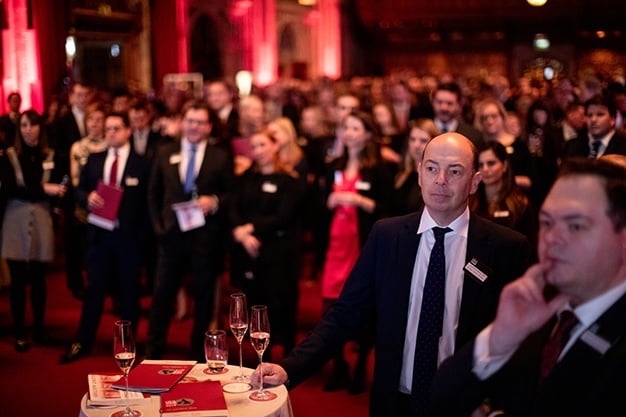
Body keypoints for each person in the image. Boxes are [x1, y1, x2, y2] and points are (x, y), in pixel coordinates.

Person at [258, 132, 531, 417]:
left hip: (465, 406)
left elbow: (518, 338)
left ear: (474, 181)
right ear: (419, 174)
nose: (441, 180)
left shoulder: (505, 248)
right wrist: (290, 368)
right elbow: (345, 315)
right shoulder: (387, 236)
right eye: (432, 168)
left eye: (455, 171)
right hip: (394, 403)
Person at [431, 157, 626, 417]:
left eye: (576, 226)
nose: (552, 238)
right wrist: (498, 338)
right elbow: (441, 398)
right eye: (547, 222)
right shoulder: (537, 305)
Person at [145, 100, 234, 362]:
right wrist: (159, 228)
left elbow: (232, 194)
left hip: (205, 238)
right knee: (162, 294)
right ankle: (153, 350)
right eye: (190, 121)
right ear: (183, 123)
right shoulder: (164, 151)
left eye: (200, 122)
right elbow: (153, 193)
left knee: (204, 297)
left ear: (209, 127)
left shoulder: (220, 156)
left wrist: (214, 201)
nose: (194, 126)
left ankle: (198, 353)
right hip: (170, 236)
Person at [59, 111, 150, 364]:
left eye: (116, 128)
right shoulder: (95, 159)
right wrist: (86, 197)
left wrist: (143, 240)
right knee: (94, 291)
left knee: (129, 293)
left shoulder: (142, 163)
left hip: (128, 238)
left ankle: (128, 346)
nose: (110, 133)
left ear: (128, 131)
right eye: (108, 129)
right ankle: (82, 341)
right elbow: (79, 190)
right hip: (99, 236)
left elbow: (147, 204)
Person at [319, 110, 393, 394]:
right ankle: (338, 364)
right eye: (346, 128)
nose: (349, 133)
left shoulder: (378, 169)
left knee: (363, 307)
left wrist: (358, 200)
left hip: (362, 245)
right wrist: (330, 200)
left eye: (355, 128)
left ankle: (361, 364)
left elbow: (387, 209)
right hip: (335, 243)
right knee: (331, 307)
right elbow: (320, 203)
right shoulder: (333, 165)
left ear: (368, 134)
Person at [228, 130, 301, 359]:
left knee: (281, 302)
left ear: (275, 146)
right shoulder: (247, 178)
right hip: (249, 250)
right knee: (255, 302)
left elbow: (283, 215)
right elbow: (233, 207)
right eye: (254, 147)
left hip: (278, 251)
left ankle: (288, 354)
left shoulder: (288, 180)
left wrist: (251, 228)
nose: (258, 151)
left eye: (262, 145)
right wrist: (242, 234)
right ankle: (262, 355)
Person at [1, 109, 68, 352]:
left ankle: (39, 328)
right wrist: (44, 189)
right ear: (19, 129)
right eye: (24, 125)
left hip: (41, 218)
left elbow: (60, 186)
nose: (29, 130)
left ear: (41, 128)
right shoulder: (8, 155)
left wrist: (53, 193)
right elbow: (10, 190)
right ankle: (20, 331)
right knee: (18, 281)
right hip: (14, 218)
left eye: (33, 125)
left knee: (39, 279)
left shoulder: (51, 155)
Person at [471, 141, 538, 251]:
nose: (485, 169)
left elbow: (530, 245)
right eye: (480, 165)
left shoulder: (520, 204)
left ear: (505, 166)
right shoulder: (471, 202)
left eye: (491, 163)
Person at [475, 98, 533, 191]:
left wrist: (501, 179)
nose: (489, 121)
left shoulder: (519, 146)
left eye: (494, 116)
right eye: (485, 118)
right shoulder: (479, 147)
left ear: (502, 117)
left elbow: (529, 180)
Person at [391, 118, 437, 216]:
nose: (416, 145)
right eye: (412, 139)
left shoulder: (436, 178)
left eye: (423, 141)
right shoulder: (403, 173)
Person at [562, 93, 626, 160]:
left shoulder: (623, 146)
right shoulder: (571, 146)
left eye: (600, 114)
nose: (593, 120)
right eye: (589, 115)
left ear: (612, 119)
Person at [430, 82, 483, 146]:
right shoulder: (422, 132)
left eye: (449, 103)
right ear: (432, 102)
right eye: (439, 102)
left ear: (459, 105)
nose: (444, 108)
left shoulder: (473, 135)